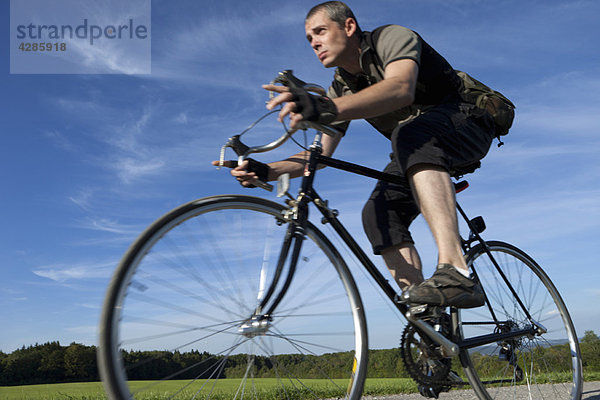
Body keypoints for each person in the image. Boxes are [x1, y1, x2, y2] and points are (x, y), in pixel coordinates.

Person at [213, 1, 500, 309]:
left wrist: (325, 108)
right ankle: (429, 317)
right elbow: (320, 153)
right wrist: (267, 170)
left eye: (320, 32)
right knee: (377, 214)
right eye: (309, 39)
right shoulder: (342, 86)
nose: (315, 43)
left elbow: (400, 87)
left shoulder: (390, 38)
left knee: (409, 134)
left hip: (468, 120)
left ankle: (456, 273)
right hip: (417, 144)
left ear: (348, 27)